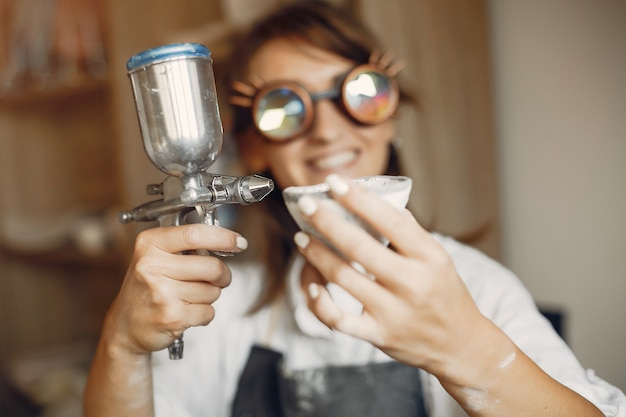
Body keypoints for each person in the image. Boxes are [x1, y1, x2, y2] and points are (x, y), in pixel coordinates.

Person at [83, 2, 626, 416]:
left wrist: (468, 350)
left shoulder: (480, 291)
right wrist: (121, 344)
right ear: (253, 147)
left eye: (358, 95)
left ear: (389, 117)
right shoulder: (218, 309)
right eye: (283, 108)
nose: (327, 131)